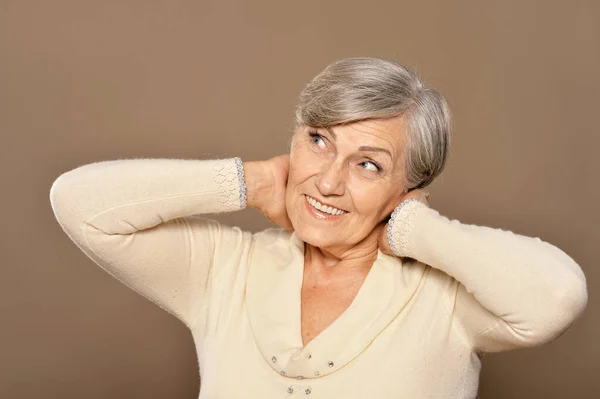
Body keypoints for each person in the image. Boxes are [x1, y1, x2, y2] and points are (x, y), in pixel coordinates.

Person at [49, 57, 587, 398]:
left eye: (368, 164)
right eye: (318, 141)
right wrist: (251, 182)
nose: (328, 183)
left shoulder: (447, 300)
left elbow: (556, 296)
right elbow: (79, 203)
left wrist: (412, 228)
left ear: (408, 188)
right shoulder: (225, 270)